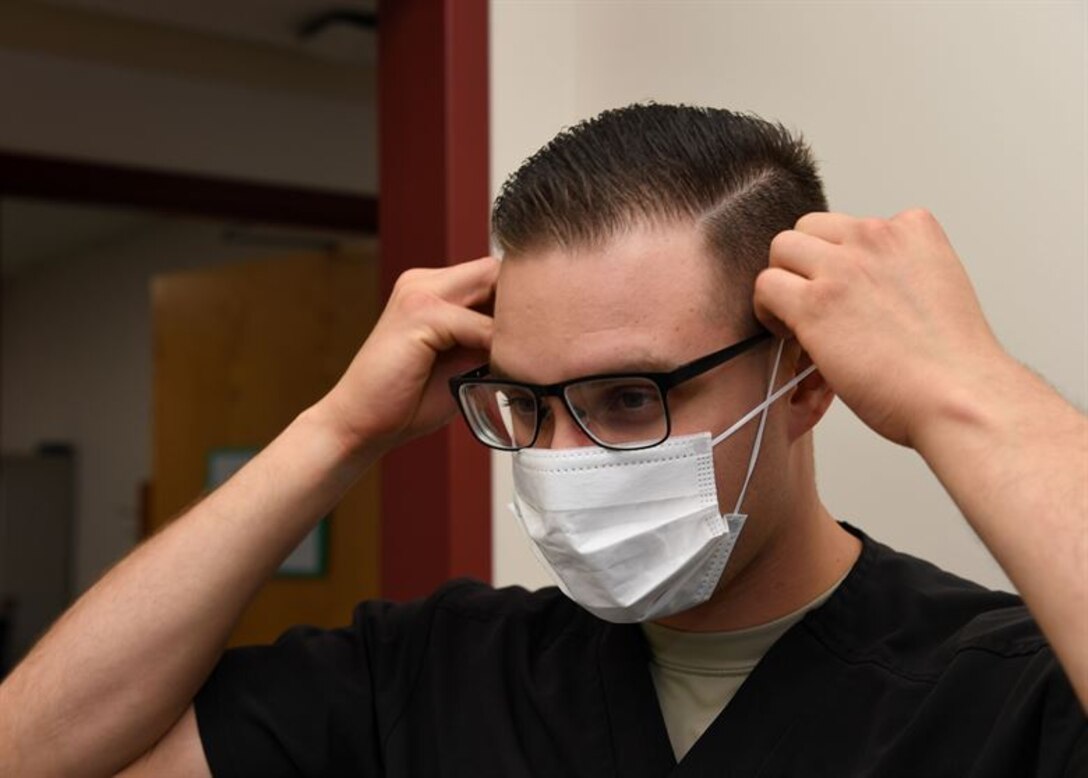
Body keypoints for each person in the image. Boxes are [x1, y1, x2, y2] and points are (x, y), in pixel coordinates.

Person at [0, 104, 1084, 777]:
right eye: (525, 405)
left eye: (628, 398)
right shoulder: (430, 677)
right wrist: (335, 431)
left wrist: (963, 390)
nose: (559, 459)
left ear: (802, 382)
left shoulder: (1004, 696)